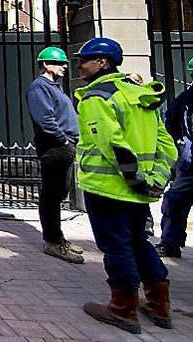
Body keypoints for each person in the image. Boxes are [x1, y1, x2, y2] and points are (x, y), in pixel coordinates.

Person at [73, 37, 177, 334]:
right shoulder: (139, 94)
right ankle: (159, 304)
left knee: (115, 245)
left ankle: (123, 308)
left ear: (102, 63)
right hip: (138, 189)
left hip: (108, 188)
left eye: (86, 59)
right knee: (138, 242)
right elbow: (166, 144)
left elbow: (112, 144)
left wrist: (135, 180)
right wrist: (154, 180)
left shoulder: (97, 98)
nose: (80, 65)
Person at [25, 46, 83, 263]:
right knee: (51, 194)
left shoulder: (53, 87)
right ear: (46, 65)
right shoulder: (40, 88)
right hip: (55, 148)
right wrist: (63, 139)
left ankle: (58, 238)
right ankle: (53, 241)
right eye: (59, 63)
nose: (65, 66)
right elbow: (45, 120)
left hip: (62, 146)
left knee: (58, 193)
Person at [157, 58, 193, 258]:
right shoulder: (186, 99)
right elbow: (170, 122)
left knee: (175, 201)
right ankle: (170, 243)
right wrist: (180, 145)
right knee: (174, 202)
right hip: (189, 164)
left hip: (188, 162)